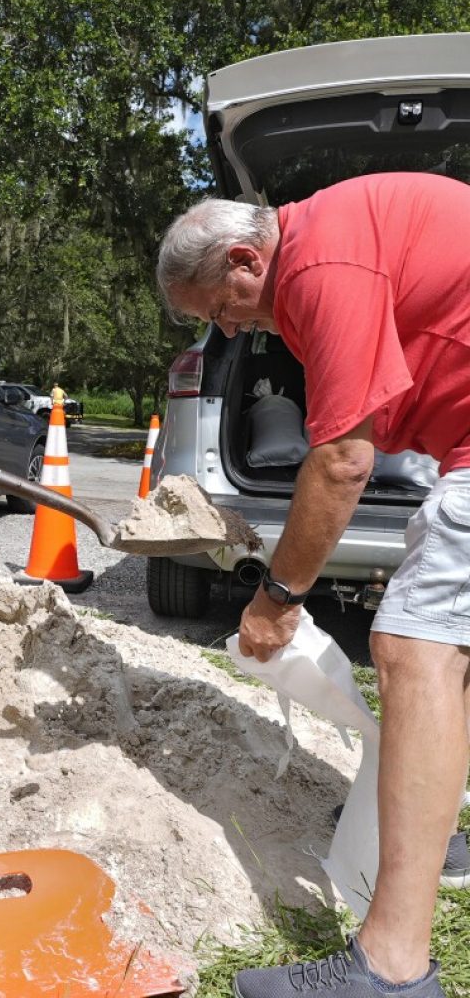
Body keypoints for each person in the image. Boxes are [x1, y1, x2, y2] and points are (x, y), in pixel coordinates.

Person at [157, 171, 470, 998]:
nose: (225, 329)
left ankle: (391, 971)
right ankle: (441, 834)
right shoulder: (334, 241)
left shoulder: (323, 265)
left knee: (413, 646)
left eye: (217, 309)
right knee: (453, 645)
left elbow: (343, 461)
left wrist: (278, 598)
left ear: (243, 258)